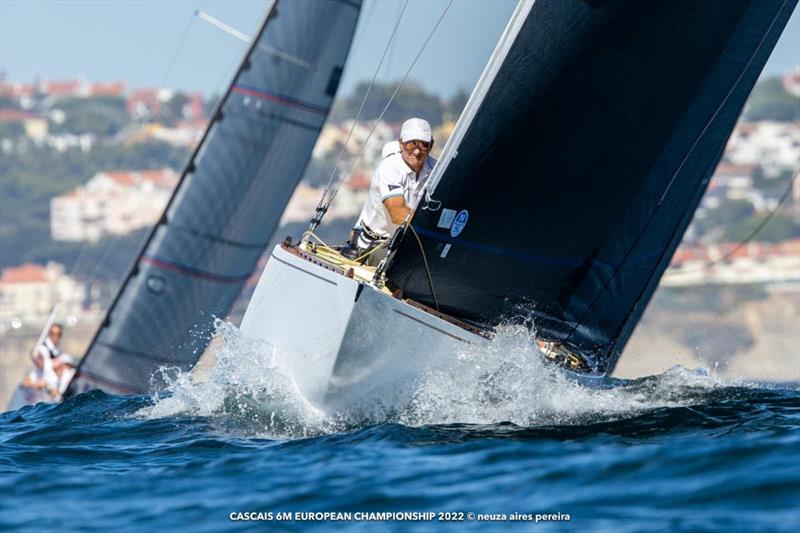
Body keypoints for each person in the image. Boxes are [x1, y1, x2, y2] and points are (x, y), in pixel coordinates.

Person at [342, 118, 437, 263]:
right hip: (372, 245)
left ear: (431, 146)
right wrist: (432, 230)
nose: (417, 151)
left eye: (424, 144)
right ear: (401, 144)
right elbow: (397, 212)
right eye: (411, 144)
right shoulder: (390, 167)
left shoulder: (436, 168)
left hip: (404, 244)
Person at [22, 323, 66, 397]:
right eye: (52, 333)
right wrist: (35, 357)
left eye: (58, 334)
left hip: (55, 384)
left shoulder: (57, 350)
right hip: (43, 383)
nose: (55, 336)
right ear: (49, 333)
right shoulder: (43, 348)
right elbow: (36, 356)